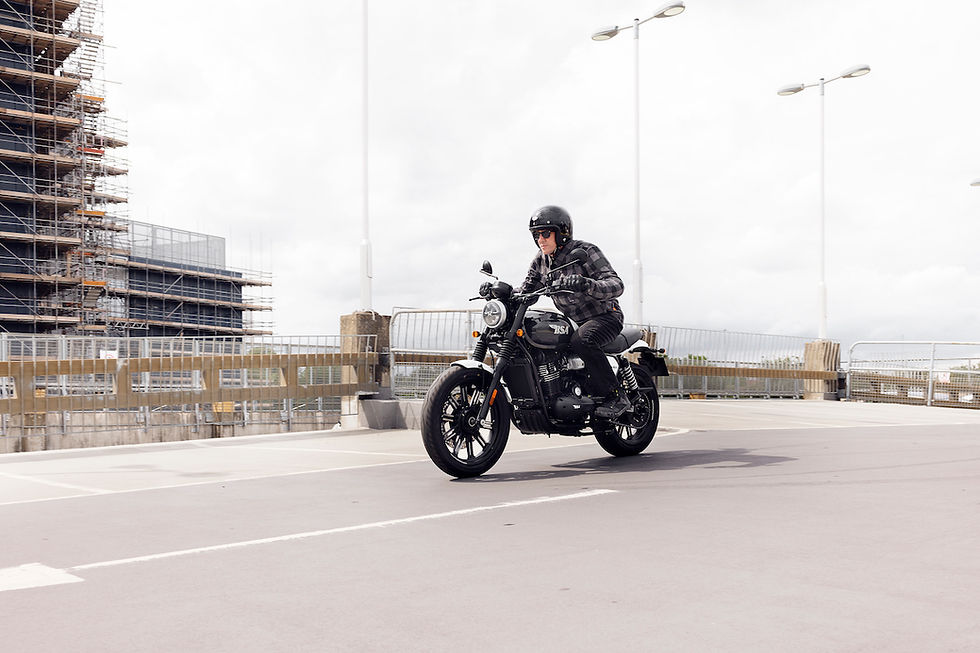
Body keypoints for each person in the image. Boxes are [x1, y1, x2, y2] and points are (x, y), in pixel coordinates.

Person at [518, 205, 630, 419]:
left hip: (605, 316)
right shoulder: (540, 261)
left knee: (582, 340)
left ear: (562, 233)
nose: (540, 239)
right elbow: (526, 290)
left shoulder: (585, 252)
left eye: (545, 233)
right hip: (574, 322)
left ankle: (616, 395)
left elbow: (617, 284)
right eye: (536, 234)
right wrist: (500, 291)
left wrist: (587, 284)